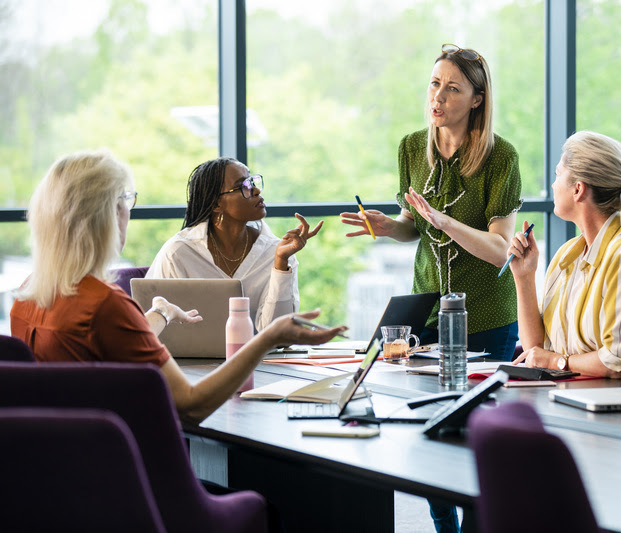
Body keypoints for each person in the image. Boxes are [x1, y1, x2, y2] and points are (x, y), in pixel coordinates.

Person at [10, 149, 346, 424]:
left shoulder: (25, 299)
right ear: (106, 215)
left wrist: (159, 313)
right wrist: (270, 336)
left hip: (60, 472)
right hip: (135, 479)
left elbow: (111, 351)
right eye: (125, 200)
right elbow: (190, 405)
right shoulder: (105, 306)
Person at [341, 43, 522, 363]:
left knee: (477, 410)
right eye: (435, 83)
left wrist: (446, 222)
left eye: (453, 89)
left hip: (486, 317)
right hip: (428, 314)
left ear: (477, 100)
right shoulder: (411, 148)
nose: (438, 96)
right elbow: (412, 225)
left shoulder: (500, 157)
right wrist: (391, 227)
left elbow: (500, 251)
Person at [507, 130, 621, 380]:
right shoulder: (568, 254)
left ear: (578, 189)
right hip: (579, 395)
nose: (553, 184)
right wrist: (524, 277)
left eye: (558, 174)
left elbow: (617, 363)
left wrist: (558, 361)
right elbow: (536, 348)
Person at [147, 157, 322, 331]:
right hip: (190, 359)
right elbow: (159, 329)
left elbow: (278, 333)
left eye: (253, 182)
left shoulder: (277, 251)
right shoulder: (178, 253)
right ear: (216, 204)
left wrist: (281, 263)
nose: (256, 190)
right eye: (243, 186)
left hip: (261, 359)